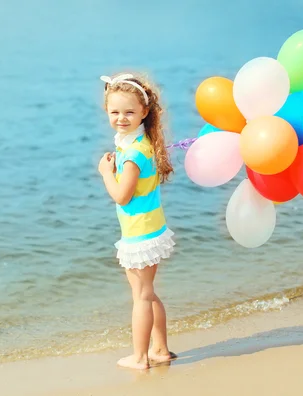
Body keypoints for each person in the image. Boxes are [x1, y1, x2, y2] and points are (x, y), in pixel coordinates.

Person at [97, 72, 176, 370]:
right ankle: (160, 349)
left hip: (140, 232)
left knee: (141, 296)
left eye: (129, 112)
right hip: (149, 226)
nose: (121, 118)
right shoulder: (140, 142)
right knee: (148, 292)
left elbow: (121, 196)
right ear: (106, 111)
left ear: (144, 111)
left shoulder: (133, 153)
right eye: (114, 112)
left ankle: (140, 357)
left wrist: (106, 172)